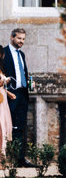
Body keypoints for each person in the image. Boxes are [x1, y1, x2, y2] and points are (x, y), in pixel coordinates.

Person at [1, 28, 33, 166]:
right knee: (7, 127)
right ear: (12, 37)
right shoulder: (4, 53)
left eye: (23, 39)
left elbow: (22, 73)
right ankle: (6, 158)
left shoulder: (22, 54)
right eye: (19, 38)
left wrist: (29, 83)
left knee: (20, 127)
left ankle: (19, 159)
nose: (22, 41)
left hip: (22, 95)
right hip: (9, 95)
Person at [0, 71, 13, 159]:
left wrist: (9, 93)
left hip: (3, 98)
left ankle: (2, 157)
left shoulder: (1, 69)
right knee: (1, 126)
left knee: (4, 125)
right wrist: (4, 81)